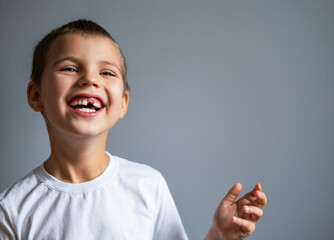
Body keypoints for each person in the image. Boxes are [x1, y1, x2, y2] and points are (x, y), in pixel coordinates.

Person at [0, 19, 267, 240]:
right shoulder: (12, 209)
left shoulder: (148, 185)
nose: (89, 79)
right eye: (70, 68)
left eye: (107, 73)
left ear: (123, 103)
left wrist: (218, 235)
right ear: (36, 96)